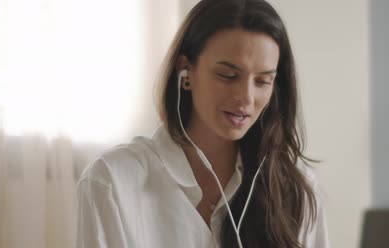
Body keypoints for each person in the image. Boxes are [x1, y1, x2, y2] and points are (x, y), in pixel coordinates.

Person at [76, 0, 330, 247]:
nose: (246, 97)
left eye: (263, 81)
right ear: (185, 71)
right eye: (228, 75)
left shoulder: (294, 188)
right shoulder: (111, 182)